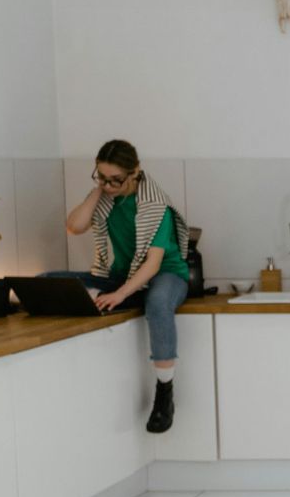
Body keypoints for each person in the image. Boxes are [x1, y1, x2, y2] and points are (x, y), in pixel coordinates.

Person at [52, 139, 190, 434]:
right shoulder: (106, 197)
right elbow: (74, 227)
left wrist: (120, 293)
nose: (110, 185)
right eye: (102, 177)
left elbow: (153, 264)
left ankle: (165, 392)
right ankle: (129, 298)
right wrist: (97, 191)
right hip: (123, 276)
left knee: (157, 302)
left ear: (135, 172)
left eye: (116, 180)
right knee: (49, 281)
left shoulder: (156, 206)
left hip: (167, 275)